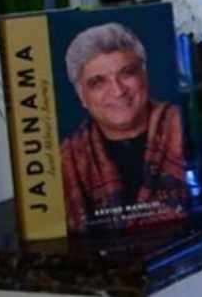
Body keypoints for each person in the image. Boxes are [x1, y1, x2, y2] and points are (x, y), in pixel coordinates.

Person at [60, 22, 187, 232]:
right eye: (98, 82)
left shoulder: (184, 127)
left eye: (127, 73)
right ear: (82, 96)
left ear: (145, 76)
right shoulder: (66, 160)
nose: (118, 91)